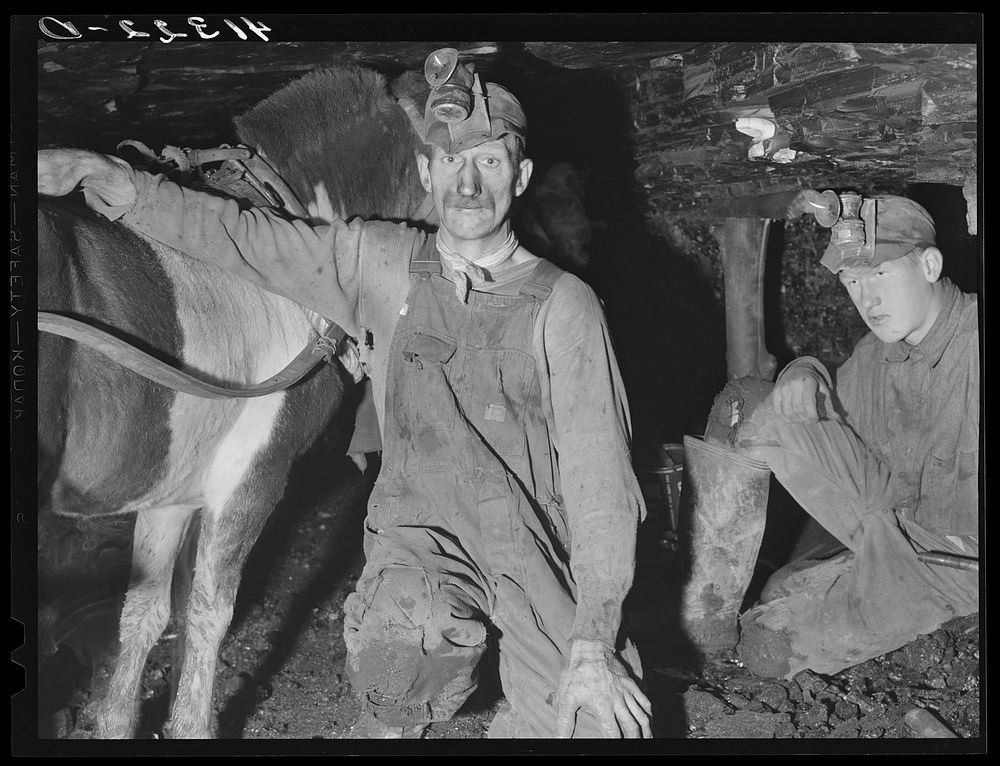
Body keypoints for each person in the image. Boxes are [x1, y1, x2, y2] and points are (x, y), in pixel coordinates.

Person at [37, 57, 652, 739]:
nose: (468, 185)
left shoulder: (566, 308)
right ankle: (399, 715)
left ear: (522, 176)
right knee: (398, 662)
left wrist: (595, 636)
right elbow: (244, 239)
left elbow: (602, 487)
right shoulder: (381, 261)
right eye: (451, 163)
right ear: (424, 174)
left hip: (538, 544)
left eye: (490, 162)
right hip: (424, 544)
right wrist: (117, 182)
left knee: (596, 723)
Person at [694, 193, 980, 680]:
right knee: (744, 406)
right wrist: (800, 372)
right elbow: (827, 404)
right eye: (852, 281)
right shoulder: (878, 353)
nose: (866, 299)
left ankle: (858, 587)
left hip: (956, 567)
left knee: (769, 647)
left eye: (881, 276)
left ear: (930, 265)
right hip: (885, 515)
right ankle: (703, 619)